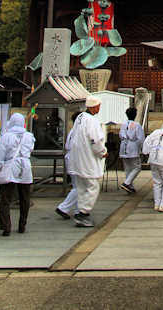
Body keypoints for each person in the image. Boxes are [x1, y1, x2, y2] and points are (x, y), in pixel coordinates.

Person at [0, 113, 35, 236]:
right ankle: (22, 225)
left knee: (5, 198)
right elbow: (30, 150)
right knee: (24, 198)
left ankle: (6, 227)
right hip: (25, 167)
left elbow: (0, 156)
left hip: (10, 167)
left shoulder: (6, 136)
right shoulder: (29, 136)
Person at [68, 96, 107, 228]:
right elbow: (95, 140)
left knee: (81, 187)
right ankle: (83, 212)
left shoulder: (80, 118)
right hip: (87, 159)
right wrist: (102, 152)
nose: (99, 108)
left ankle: (80, 210)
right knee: (93, 186)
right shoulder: (92, 120)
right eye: (98, 106)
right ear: (94, 106)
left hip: (77, 158)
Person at [55, 111, 81, 220]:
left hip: (71, 159)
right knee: (79, 187)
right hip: (76, 160)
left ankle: (78, 210)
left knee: (77, 186)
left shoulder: (72, 131)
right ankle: (63, 207)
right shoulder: (79, 130)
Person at [119, 106, 144, 194]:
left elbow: (120, 135)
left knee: (128, 168)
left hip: (123, 146)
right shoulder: (137, 125)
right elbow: (141, 138)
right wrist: (142, 148)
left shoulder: (123, 124)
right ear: (135, 115)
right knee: (137, 167)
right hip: (132, 146)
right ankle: (126, 183)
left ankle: (130, 186)